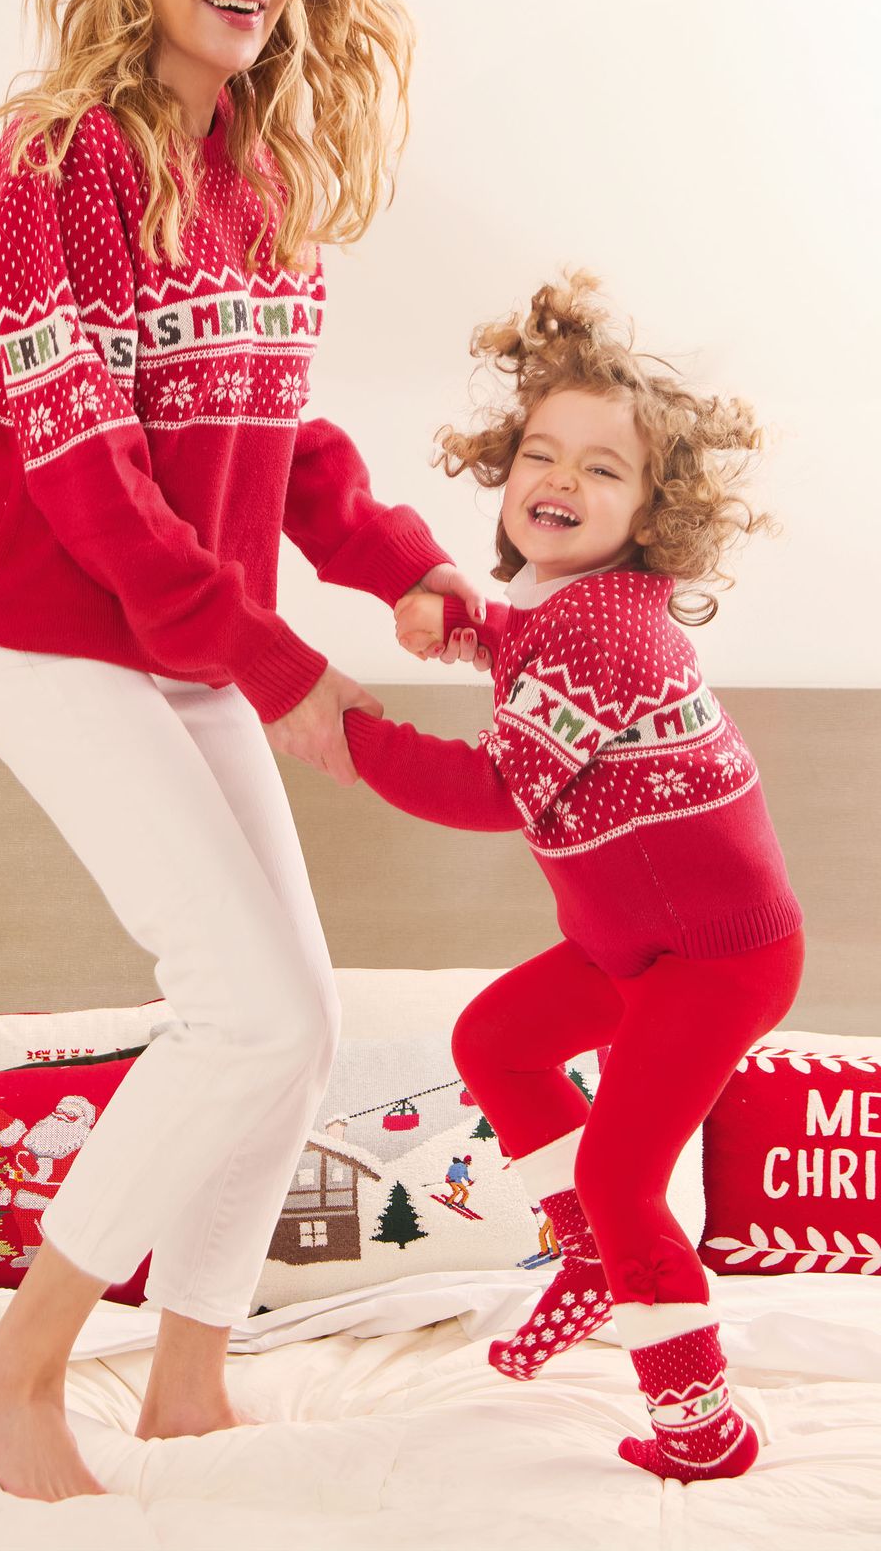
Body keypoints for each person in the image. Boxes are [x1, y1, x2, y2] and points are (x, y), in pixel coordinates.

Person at [0, 0, 484, 1502]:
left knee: (288, 1019)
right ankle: (9, 1381)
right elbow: (86, 471)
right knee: (233, 1004)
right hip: (43, 634)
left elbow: (283, 447)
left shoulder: (263, 166)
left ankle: (186, 1389)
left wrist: (400, 571)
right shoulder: (58, 159)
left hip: (183, 639)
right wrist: (275, 662)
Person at [343, 271, 804, 1483]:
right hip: (630, 944)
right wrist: (465, 622)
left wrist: (339, 733)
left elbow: (495, 790)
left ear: (654, 513)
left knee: (620, 1169)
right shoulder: (557, 608)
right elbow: (527, 648)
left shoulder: (611, 627)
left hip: (715, 957)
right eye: (541, 454)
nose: (560, 481)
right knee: (496, 1040)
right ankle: (593, 1255)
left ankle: (703, 1423)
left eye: (603, 470)